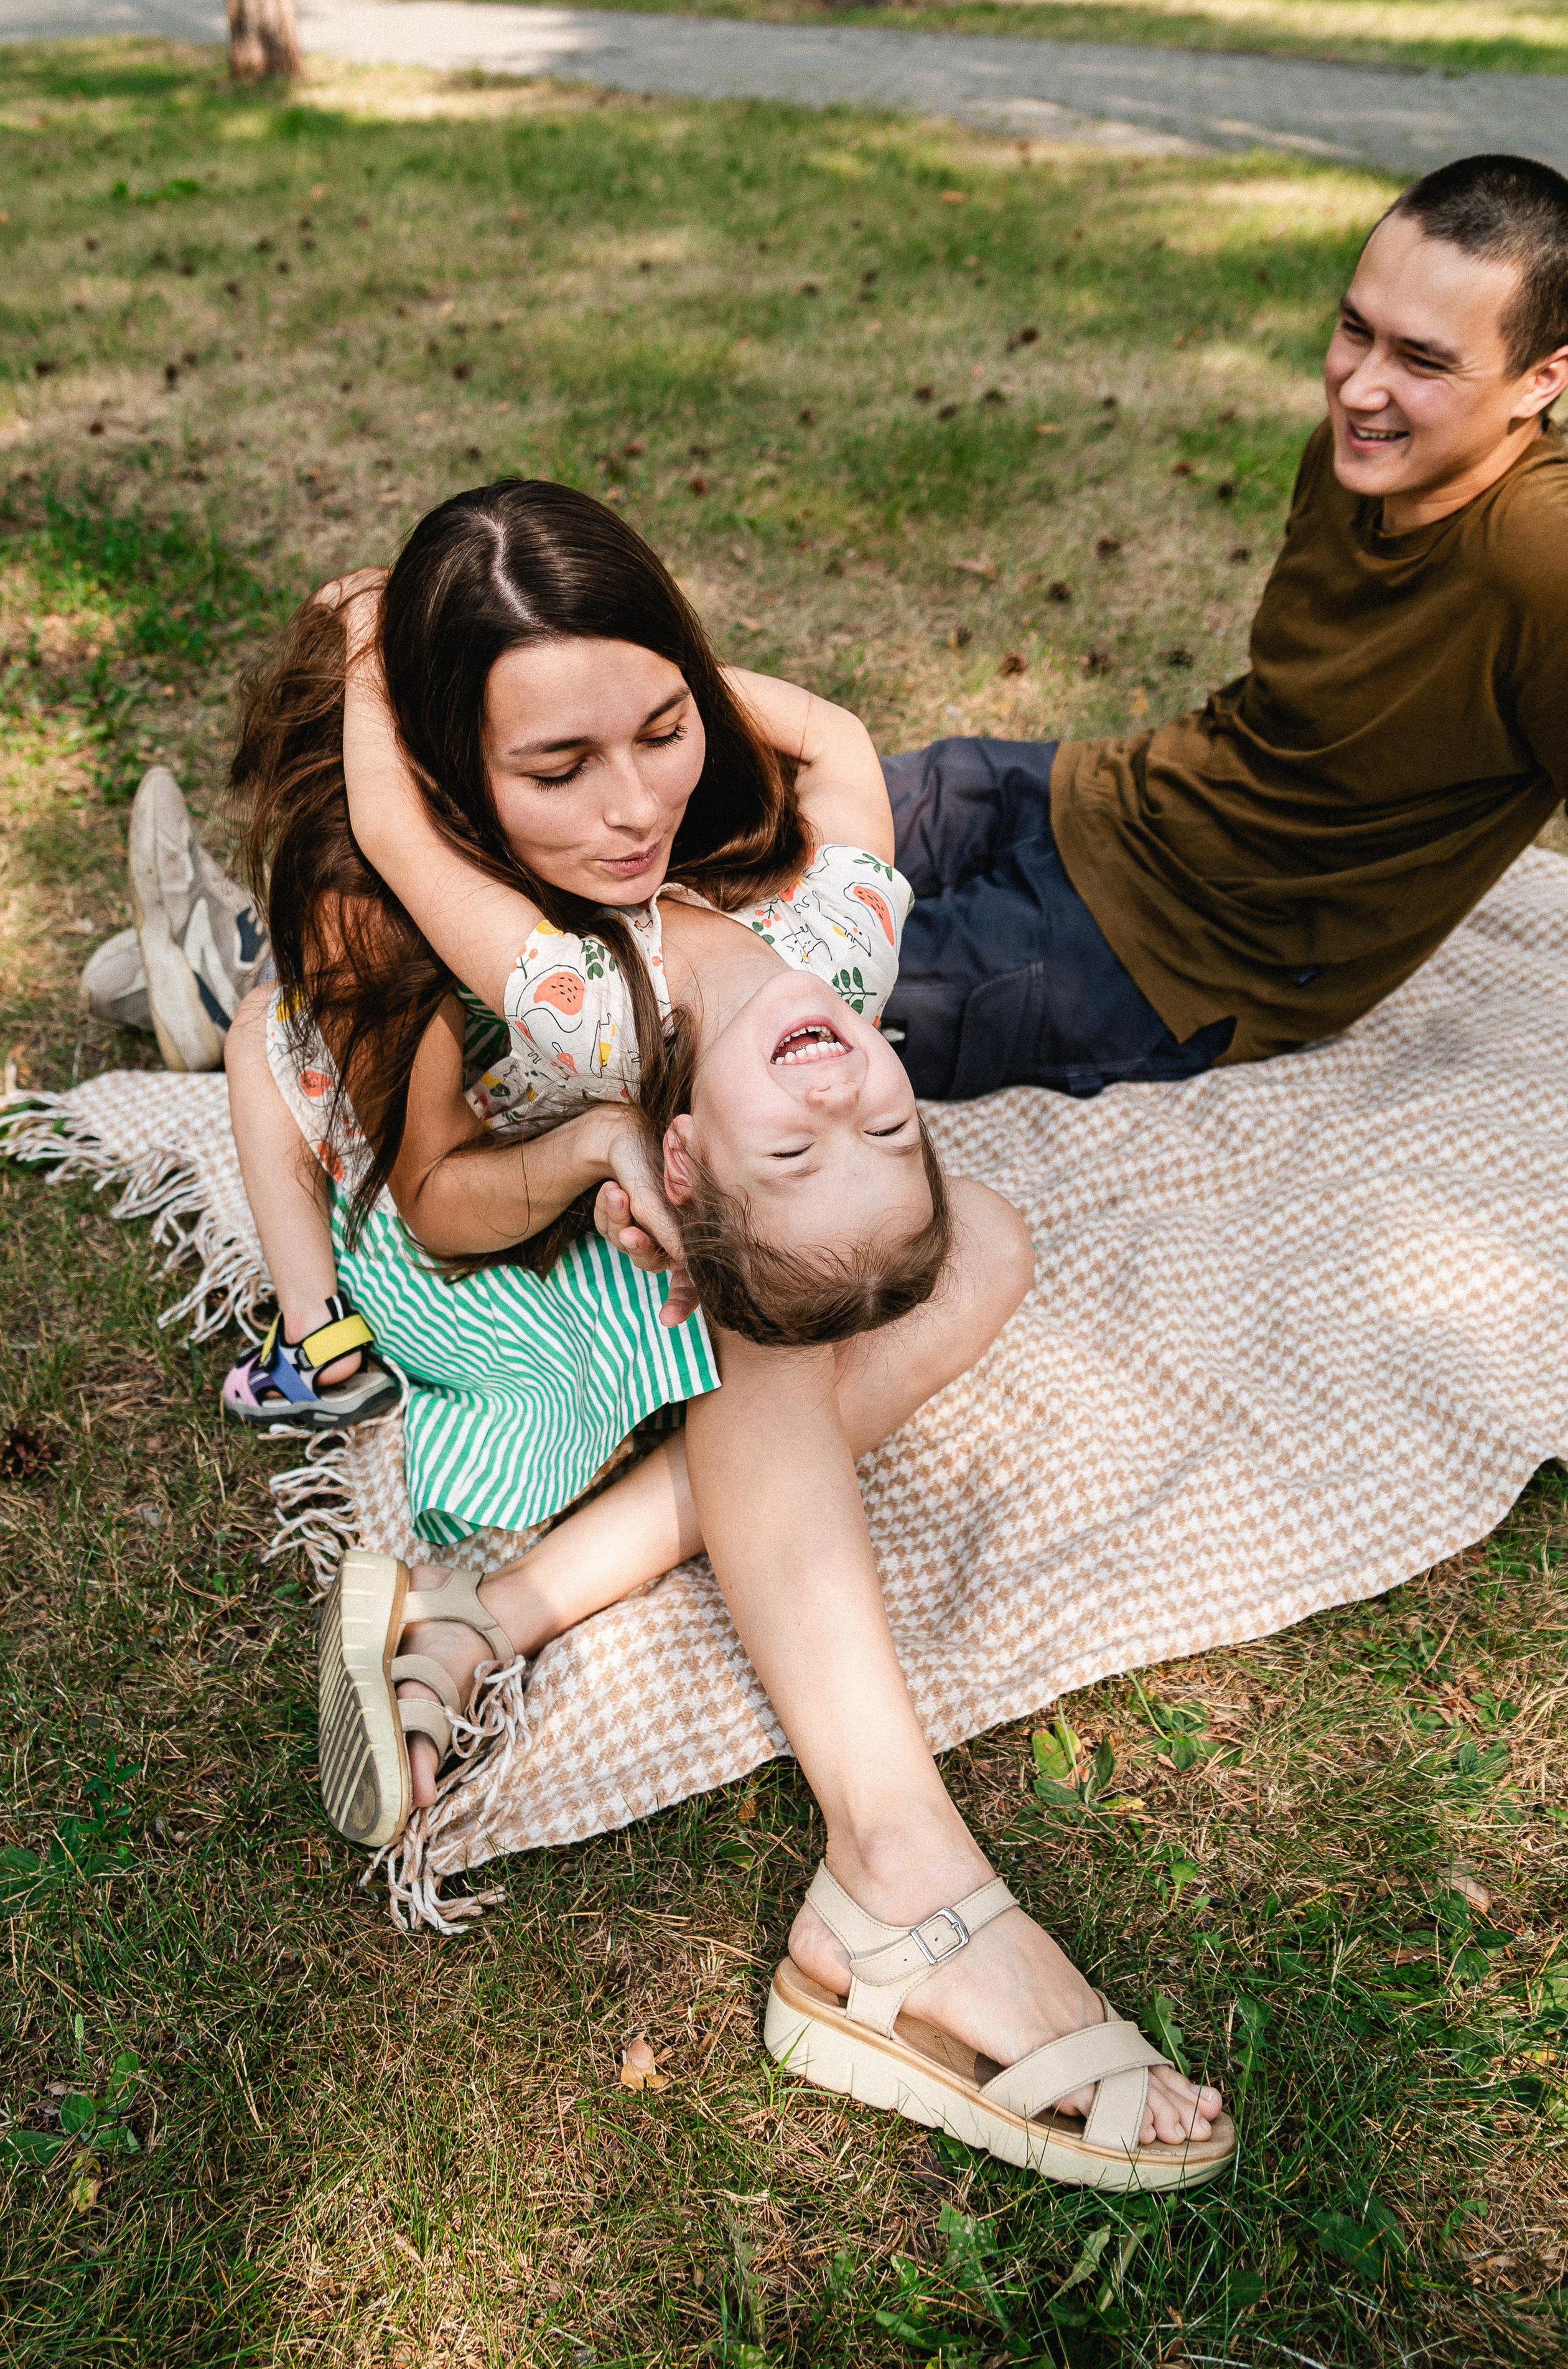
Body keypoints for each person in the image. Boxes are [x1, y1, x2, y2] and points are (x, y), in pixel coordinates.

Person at [221, 478, 1230, 2188]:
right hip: (481, 1239)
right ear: (462, 778)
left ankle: (495, 1607)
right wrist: (387, 678)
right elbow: (440, 1180)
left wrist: (659, 677)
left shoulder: (805, 925)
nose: (632, 812)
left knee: (983, 1241)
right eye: (557, 771)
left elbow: (830, 749)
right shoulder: (515, 968)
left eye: (665, 730)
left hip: (626, 1190)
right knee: (759, 1319)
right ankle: (899, 1884)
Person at [880, 153, 1568, 1100]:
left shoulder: (1542, 561)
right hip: (1113, 795)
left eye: (1422, 361)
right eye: (1354, 331)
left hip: (1186, 955)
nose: (1360, 389)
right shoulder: (1348, 454)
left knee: (752, 1006)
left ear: (1542, 380)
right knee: (752, 814)